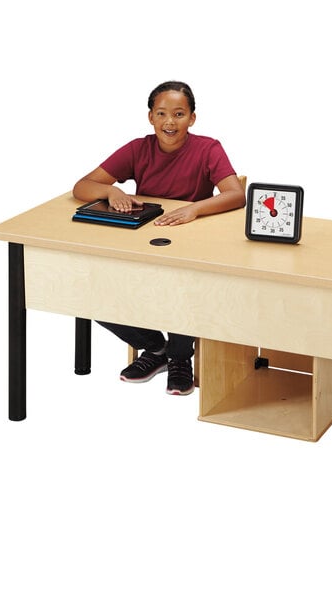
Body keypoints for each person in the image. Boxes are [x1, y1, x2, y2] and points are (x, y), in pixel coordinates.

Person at [73, 80, 246, 396]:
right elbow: (82, 186)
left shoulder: (208, 148)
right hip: (142, 241)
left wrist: (195, 209)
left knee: (184, 285)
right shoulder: (138, 148)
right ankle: (154, 349)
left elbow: (236, 195)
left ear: (192, 118)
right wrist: (112, 190)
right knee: (88, 288)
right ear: (151, 117)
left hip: (188, 244)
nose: (170, 122)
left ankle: (181, 358)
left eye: (179, 114)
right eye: (162, 113)